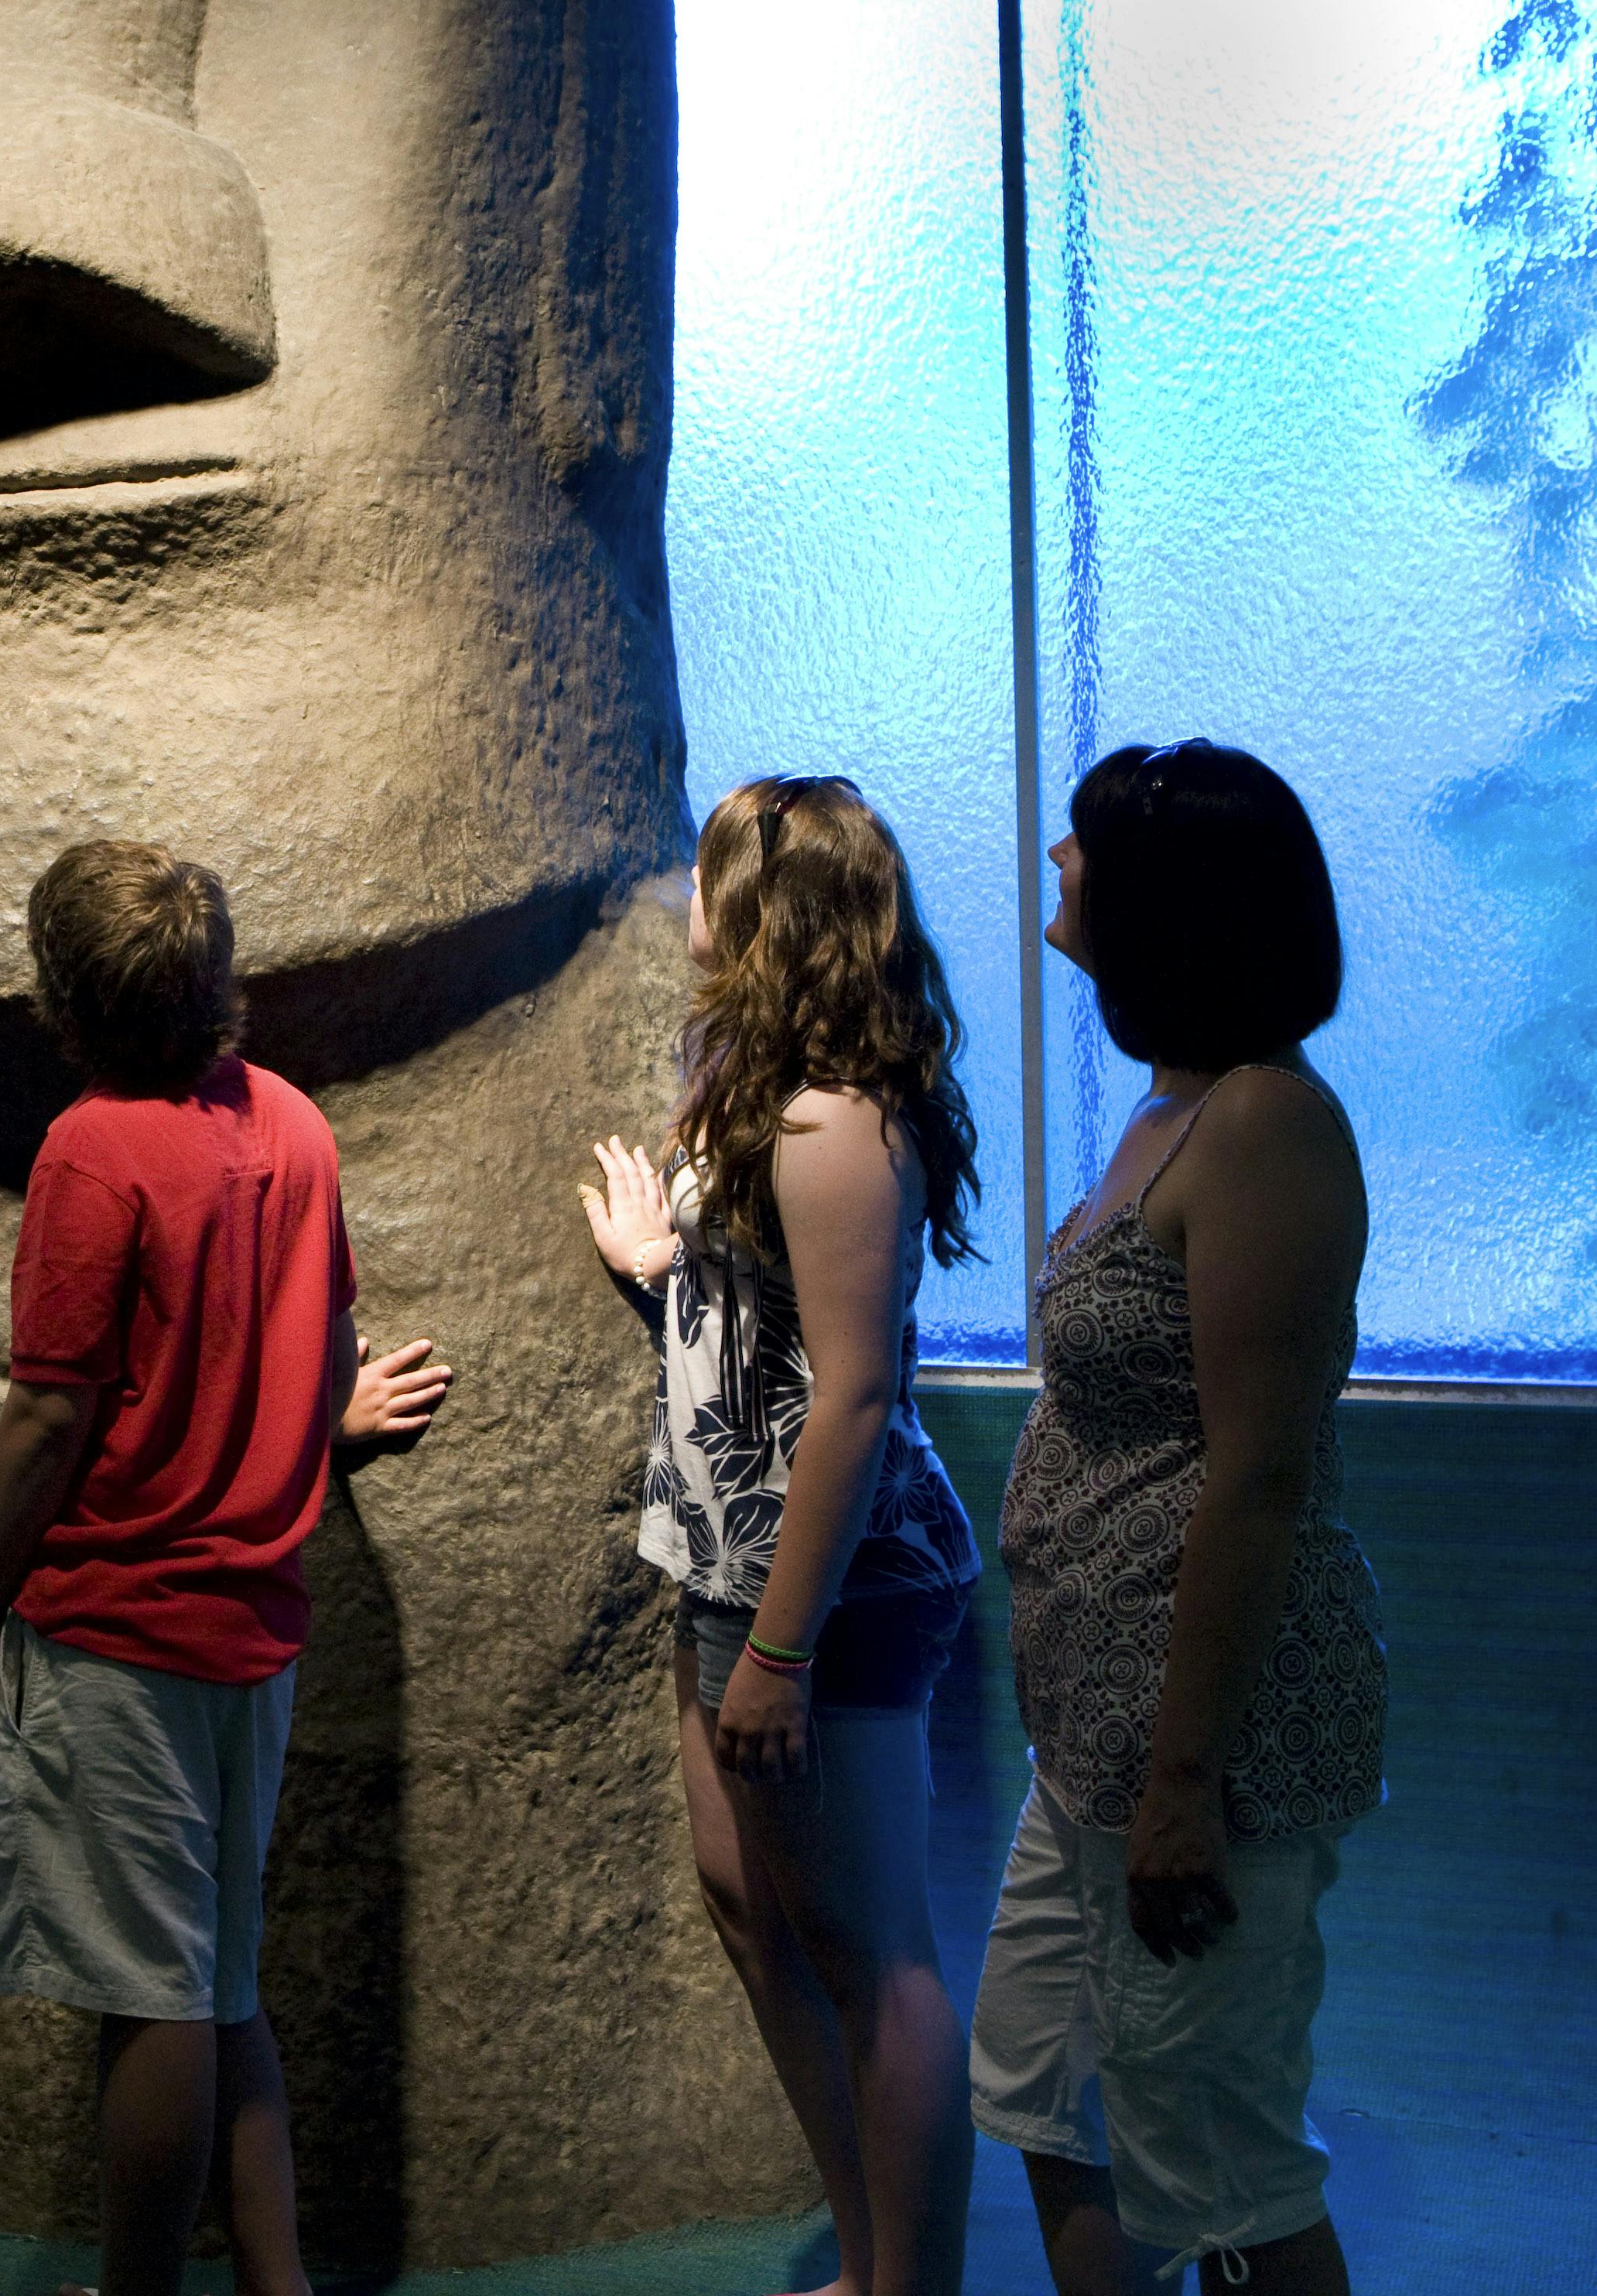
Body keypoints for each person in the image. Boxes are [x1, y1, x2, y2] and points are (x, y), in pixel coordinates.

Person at [0, 840, 434, 2296]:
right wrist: (309, 1422)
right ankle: (274, 2278)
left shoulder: (93, 1149)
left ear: (65, 992)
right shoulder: (289, 1122)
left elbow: (50, 1413)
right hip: (254, 1622)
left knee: (147, 1996)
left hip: (118, 1624)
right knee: (220, 1978)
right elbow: (317, 1329)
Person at [970, 743, 1384, 2296]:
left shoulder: (1269, 1122)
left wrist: (1185, 1781)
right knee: (1049, 2080)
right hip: (1101, 1731)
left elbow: (1261, 1474)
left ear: (1175, 901)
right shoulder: (1177, 1104)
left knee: (1222, 2154)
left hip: (1205, 1742)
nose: (1058, 868)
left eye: (1084, 848)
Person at [578, 773, 986, 2296]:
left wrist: (783, 1653)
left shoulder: (833, 1125)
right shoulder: (756, 1080)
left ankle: (909, 2285)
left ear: (757, 914)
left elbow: (857, 1400)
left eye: (705, 877)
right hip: (736, 1570)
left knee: (877, 1956)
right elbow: (778, 1326)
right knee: (756, 1904)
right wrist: (665, 1267)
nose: (685, 898)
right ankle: (871, 2249)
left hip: (830, 1595)